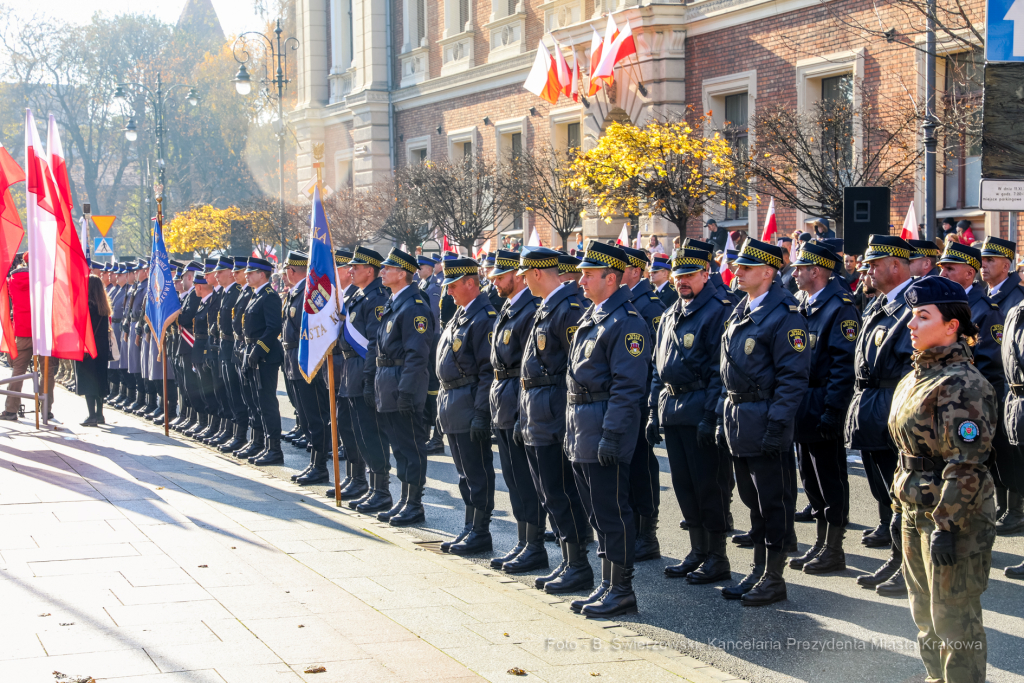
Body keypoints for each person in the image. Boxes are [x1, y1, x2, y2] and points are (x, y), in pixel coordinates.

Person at [891, 275, 996, 683]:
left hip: (953, 519)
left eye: (921, 316)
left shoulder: (963, 384)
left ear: (952, 324)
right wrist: (900, 505)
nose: (910, 325)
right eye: (910, 316)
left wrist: (947, 526)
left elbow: (966, 464)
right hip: (915, 511)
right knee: (924, 616)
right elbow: (907, 453)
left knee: (955, 621)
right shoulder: (917, 376)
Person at [717, 237, 809, 606]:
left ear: (769, 272)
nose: (737, 272)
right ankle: (758, 570)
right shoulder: (743, 308)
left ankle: (774, 577)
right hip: (740, 418)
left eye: (746, 268)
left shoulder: (786, 316)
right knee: (751, 500)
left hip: (765, 418)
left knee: (773, 502)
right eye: (738, 267)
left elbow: (793, 378)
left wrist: (776, 425)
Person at [564, 240, 651, 618]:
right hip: (583, 426)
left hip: (602, 428)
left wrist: (613, 436)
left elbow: (627, 388)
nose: (580, 280)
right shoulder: (594, 315)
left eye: (587, 274)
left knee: (613, 511)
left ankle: (622, 588)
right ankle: (606, 583)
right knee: (598, 512)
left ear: (610, 278)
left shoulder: (626, 323)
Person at [649, 247, 732, 583]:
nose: (682, 281)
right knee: (684, 486)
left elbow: (718, 371)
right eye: (678, 275)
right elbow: (658, 369)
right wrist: (653, 413)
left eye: (689, 275)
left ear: (705, 274)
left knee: (708, 486)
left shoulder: (717, 311)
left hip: (700, 408)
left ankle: (717, 556)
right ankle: (697, 551)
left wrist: (711, 417)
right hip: (673, 409)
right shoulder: (671, 312)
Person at [517, 247, 594, 596]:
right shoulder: (548, 305)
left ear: (536, 273)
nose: (521, 279)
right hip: (538, 410)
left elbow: (575, 370)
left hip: (553, 412)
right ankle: (567, 561)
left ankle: (579, 565)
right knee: (549, 493)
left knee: (561, 492)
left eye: (524, 273)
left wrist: (563, 417)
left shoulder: (568, 307)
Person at [847, 235, 915, 597]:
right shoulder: (877, 304)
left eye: (874, 265)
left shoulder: (912, 304)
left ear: (895, 265)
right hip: (872, 404)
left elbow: (908, 364)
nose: (868, 271)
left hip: (893, 406)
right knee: (883, 490)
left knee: (902, 491)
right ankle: (894, 556)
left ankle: (909, 565)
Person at [788, 242, 859, 574]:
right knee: (810, 477)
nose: (795, 273)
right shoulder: (802, 303)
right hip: (802, 402)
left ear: (816, 271)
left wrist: (833, 410)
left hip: (821, 402)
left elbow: (843, 367)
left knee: (829, 476)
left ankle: (834, 547)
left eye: (800, 268)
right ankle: (820, 542)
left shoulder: (840, 307)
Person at [487, 250, 547, 573]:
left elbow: (528, 368)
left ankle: (535, 546)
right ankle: (524, 541)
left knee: (525, 479)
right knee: (512, 478)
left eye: (501, 275)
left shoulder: (529, 310)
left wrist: (523, 412)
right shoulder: (509, 307)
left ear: (518, 276)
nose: (496, 281)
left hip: (517, 399)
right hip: (503, 398)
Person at [375, 248, 432, 527]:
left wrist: (407, 392)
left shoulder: (414, 307)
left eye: (387, 268)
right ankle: (404, 499)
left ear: (402, 273)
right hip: (388, 382)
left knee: (411, 447)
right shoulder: (395, 302)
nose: (382, 272)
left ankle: (414, 503)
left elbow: (416, 355)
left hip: (402, 385)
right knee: (399, 448)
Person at [620, 245, 667, 561]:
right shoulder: (625, 303)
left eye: (619, 268)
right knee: (627, 467)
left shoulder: (649, 307)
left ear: (635, 271)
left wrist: (650, 405)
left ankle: (647, 534)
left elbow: (654, 361)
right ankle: (633, 530)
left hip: (640, 398)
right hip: (626, 398)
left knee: (641, 467)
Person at [336, 248, 392, 507]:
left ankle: (380, 489)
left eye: (356, 267)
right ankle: (361, 480)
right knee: (351, 428)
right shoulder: (358, 296)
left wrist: (369, 378)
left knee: (371, 432)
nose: (351, 271)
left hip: (363, 370)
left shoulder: (376, 298)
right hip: (350, 369)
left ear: (370, 270)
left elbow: (373, 343)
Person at [980, 237, 1024, 540]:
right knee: (997, 450)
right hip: (1002, 387)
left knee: (1012, 453)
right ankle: (1004, 505)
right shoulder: (991, 295)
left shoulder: (1013, 298)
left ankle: (1015, 509)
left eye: (990, 261)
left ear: (1006, 266)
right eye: (982, 260)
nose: (983, 265)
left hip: (1007, 385)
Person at [241, 257, 285, 464]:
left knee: (266, 402)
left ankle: (274, 448)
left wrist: (259, 351)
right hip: (251, 350)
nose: (247, 276)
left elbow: (274, 327)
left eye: (251, 273)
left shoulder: (269, 296)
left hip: (265, 356)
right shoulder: (255, 295)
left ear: (262, 274)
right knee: (254, 401)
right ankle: (259, 442)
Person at [76, 275, 111, 426]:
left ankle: (91, 416)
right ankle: (100, 414)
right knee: (100, 381)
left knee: (88, 382)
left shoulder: (87, 307)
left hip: (88, 350)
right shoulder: (104, 307)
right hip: (102, 349)